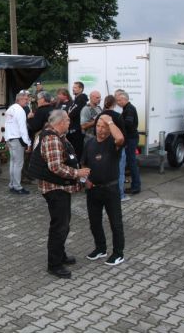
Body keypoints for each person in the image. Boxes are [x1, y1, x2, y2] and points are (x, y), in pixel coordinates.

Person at [40, 110, 90, 279]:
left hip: (61, 188)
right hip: (55, 189)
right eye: (68, 120)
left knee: (64, 225)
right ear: (60, 122)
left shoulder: (59, 136)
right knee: (59, 227)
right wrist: (77, 173)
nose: (70, 123)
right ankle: (54, 264)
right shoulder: (52, 139)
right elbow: (56, 167)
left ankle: (60, 255)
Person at [82, 114, 126, 266]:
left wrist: (110, 121)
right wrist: (85, 180)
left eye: (103, 127)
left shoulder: (113, 143)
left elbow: (120, 138)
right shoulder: (90, 143)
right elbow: (84, 164)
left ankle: (118, 253)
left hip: (110, 189)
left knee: (115, 223)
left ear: (109, 129)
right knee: (94, 222)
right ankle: (101, 248)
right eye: (98, 126)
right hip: (93, 189)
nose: (100, 129)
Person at [95, 95, 128, 201]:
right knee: (119, 171)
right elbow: (123, 133)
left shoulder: (99, 116)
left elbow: (96, 132)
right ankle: (120, 195)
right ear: (114, 104)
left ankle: (104, 194)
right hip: (117, 146)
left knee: (103, 170)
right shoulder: (118, 116)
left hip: (101, 146)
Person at [5, 90, 32, 195]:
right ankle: (17, 186)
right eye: (25, 99)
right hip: (17, 139)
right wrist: (28, 143)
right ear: (19, 99)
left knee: (13, 163)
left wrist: (6, 139)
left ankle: (12, 184)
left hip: (10, 139)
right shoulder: (20, 111)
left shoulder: (10, 109)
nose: (27, 101)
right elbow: (23, 128)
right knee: (18, 164)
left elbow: (7, 125)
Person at [116, 91, 141, 195]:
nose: (118, 102)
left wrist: (117, 123)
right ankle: (135, 185)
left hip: (131, 138)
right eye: (117, 100)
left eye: (119, 100)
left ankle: (136, 186)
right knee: (130, 162)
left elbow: (128, 123)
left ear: (125, 99)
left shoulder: (129, 109)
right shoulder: (127, 108)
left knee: (132, 162)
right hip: (130, 138)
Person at [67, 82, 88, 161]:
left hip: (77, 131)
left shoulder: (81, 100)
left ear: (81, 89)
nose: (73, 89)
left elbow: (71, 113)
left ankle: (77, 165)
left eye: (75, 87)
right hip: (72, 129)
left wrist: (67, 115)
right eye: (73, 87)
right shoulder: (75, 100)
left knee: (77, 151)